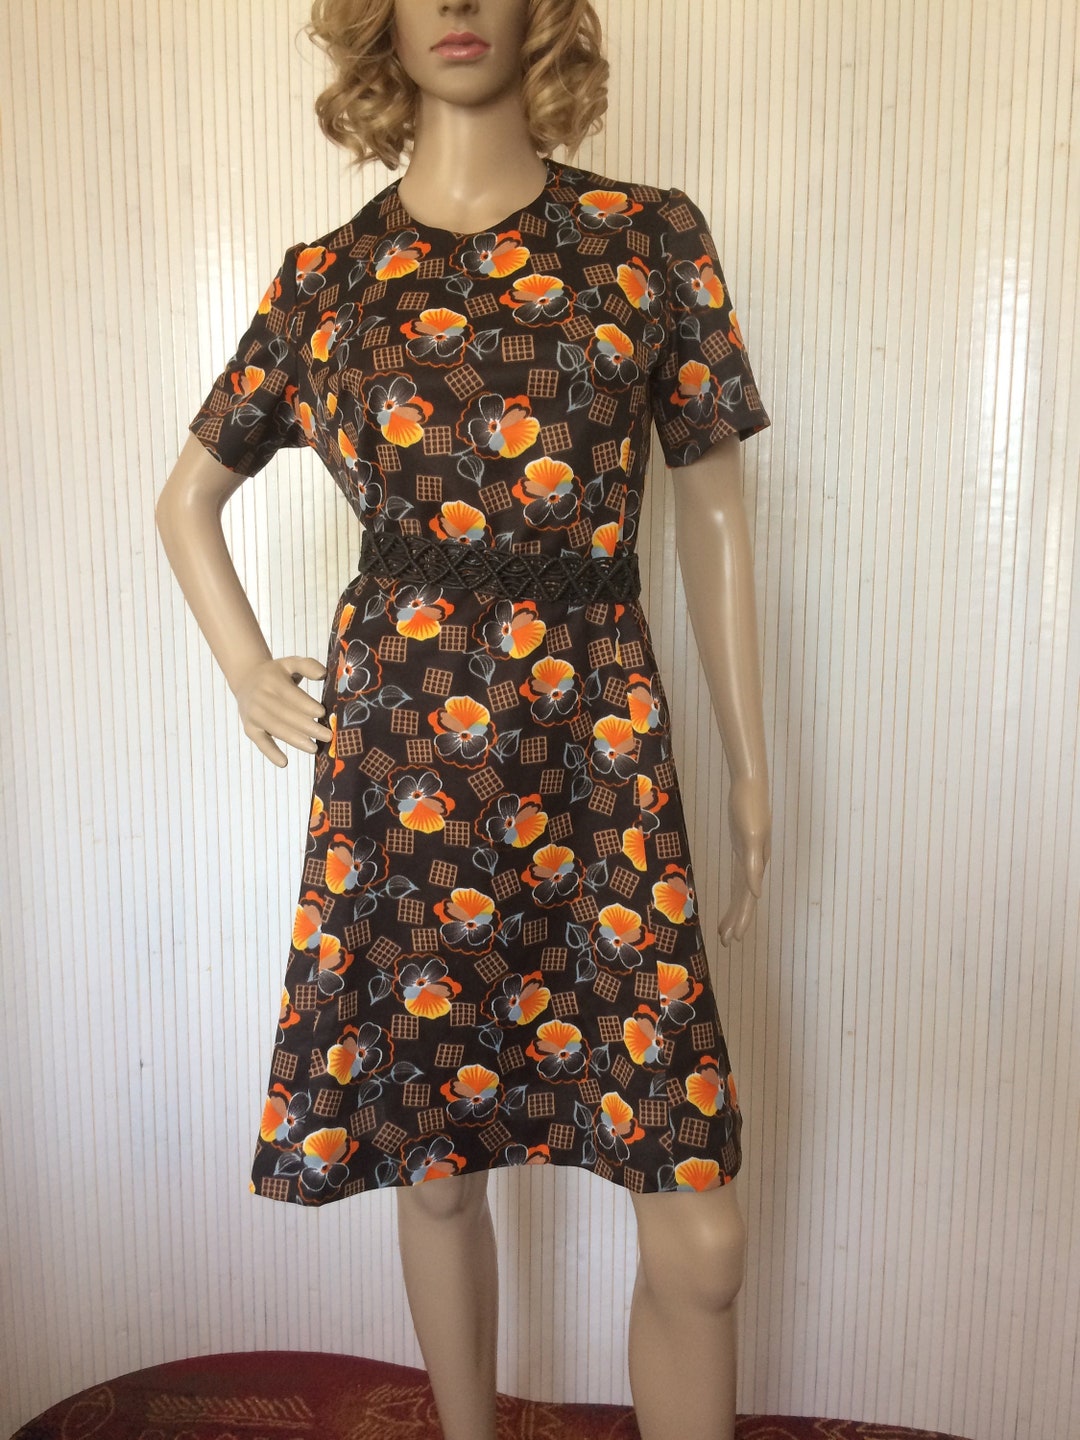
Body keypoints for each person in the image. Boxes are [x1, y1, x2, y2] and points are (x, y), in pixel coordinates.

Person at [155, 3, 773, 1437]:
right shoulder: (329, 278)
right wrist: (246, 668)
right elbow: (187, 498)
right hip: (403, 759)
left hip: (599, 758)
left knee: (696, 1214)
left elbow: (714, 510)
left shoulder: (649, 240)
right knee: (436, 1163)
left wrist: (750, 768)